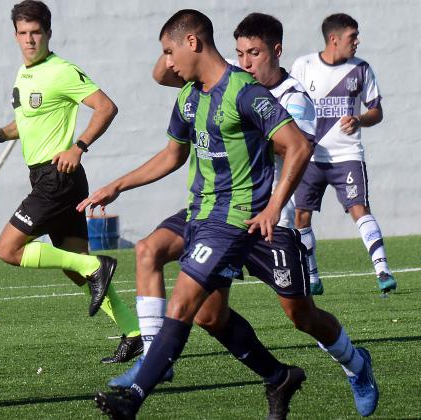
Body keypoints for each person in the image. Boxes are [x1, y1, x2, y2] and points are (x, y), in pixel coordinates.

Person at [106, 13, 379, 418]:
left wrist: (270, 200)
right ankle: (175, 366)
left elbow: (294, 150)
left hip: (271, 222)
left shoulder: (283, 97)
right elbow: (165, 77)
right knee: (196, 302)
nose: (247, 61)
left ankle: (356, 364)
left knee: (301, 315)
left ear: (276, 52)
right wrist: (174, 52)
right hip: (217, 214)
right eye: (240, 53)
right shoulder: (213, 87)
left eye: (255, 53)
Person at [81, 9, 314, 419]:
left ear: (193, 43)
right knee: (183, 287)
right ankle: (278, 376)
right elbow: (173, 155)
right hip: (199, 211)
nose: (167, 63)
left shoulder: (246, 92)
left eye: (169, 51)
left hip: (234, 218)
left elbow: (297, 145)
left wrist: (274, 207)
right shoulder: (190, 96)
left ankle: (135, 394)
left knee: (185, 300)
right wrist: (118, 184)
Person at [0, 0, 142, 364]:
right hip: (53, 179)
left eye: (36, 32)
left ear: (48, 33)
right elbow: (26, 123)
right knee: (75, 266)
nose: (30, 40)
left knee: (8, 250)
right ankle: (134, 333)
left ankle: (96, 267)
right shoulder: (24, 73)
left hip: (57, 178)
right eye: (23, 33)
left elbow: (106, 106)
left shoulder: (61, 70)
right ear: (15, 35)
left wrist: (79, 146)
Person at [290, 13, 396, 295]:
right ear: (333, 39)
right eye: (353, 37)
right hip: (309, 156)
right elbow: (287, 103)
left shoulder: (361, 69)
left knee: (359, 208)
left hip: (347, 155)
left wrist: (359, 120)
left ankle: (383, 269)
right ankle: (312, 276)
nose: (357, 41)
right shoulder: (303, 66)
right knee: (301, 216)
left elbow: (376, 110)